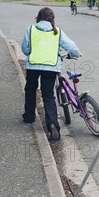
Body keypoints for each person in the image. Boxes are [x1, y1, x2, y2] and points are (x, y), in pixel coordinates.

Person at [21, 7, 82, 140]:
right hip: (51, 67)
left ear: (38, 17)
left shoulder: (31, 29)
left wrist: (32, 53)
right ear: (52, 18)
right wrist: (76, 54)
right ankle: (53, 124)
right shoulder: (57, 32)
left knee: (30, 89)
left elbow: (25, 48)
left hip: (33, 65)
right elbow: (71, 47)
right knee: (48, 95)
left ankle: (29, 116)